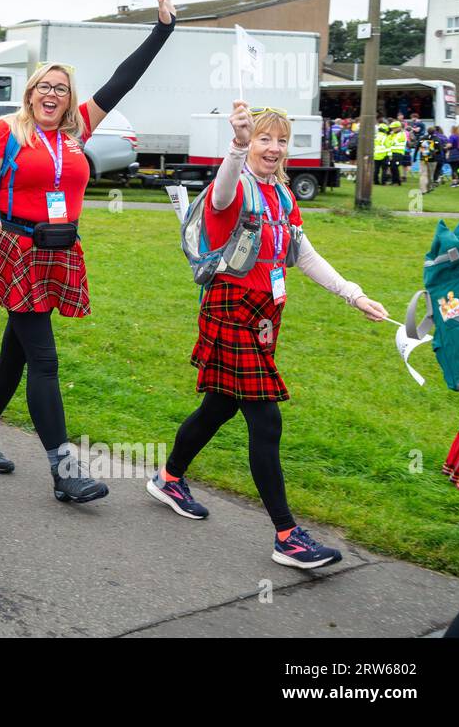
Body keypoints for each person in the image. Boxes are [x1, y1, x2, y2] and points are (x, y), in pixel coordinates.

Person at [148, 101, 387, 568]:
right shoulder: (235, 190)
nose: (274, 148)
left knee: (219, 405)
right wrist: (236, 146)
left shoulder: (282, 196)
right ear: (248, 143)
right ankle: (286, 535)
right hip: (230, 309)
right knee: (266, 419)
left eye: (281, 140)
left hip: (263, 316)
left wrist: (354, 295)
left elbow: (305, 255)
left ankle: (168, 478)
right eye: (264, 139)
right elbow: (219, 196)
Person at [0, 0, 176, 500]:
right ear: (30, 93)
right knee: (44, 359)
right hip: (17, 248)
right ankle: (63, 471)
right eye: (44, 87)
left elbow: (124, 80)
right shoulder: (7, 131)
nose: (52, 95)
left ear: (69, 98)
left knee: (16, 353)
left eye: (60, 88)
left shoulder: (78, 129)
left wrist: (163, 29)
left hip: (60, 249)